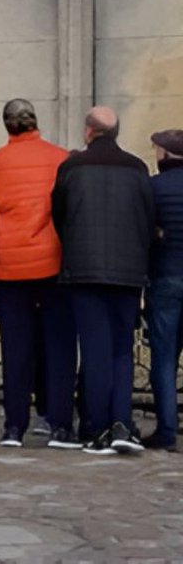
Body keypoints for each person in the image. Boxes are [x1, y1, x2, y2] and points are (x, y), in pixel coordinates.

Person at [51, 106, 155, 456]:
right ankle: (121, 421)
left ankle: (97, 426)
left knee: (95, 349)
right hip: (128, 271)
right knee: (122, 349)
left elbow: (59, 215)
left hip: (84, 269)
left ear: (88, 131)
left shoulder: (72, 168)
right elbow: (147, 218)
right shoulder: (137, 168)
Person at [0, 99, 77, 449]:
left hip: (9, 261)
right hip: (51, 259)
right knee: (59, 345)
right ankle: (60, 424)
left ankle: (14, 426)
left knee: (15, 347)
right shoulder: (60, 157)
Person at [144, 128, 183, 451]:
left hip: (165, 278)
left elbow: (145, 231)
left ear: (166, 155)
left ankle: (167, 430)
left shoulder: (153, 187)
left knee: (164, 357)